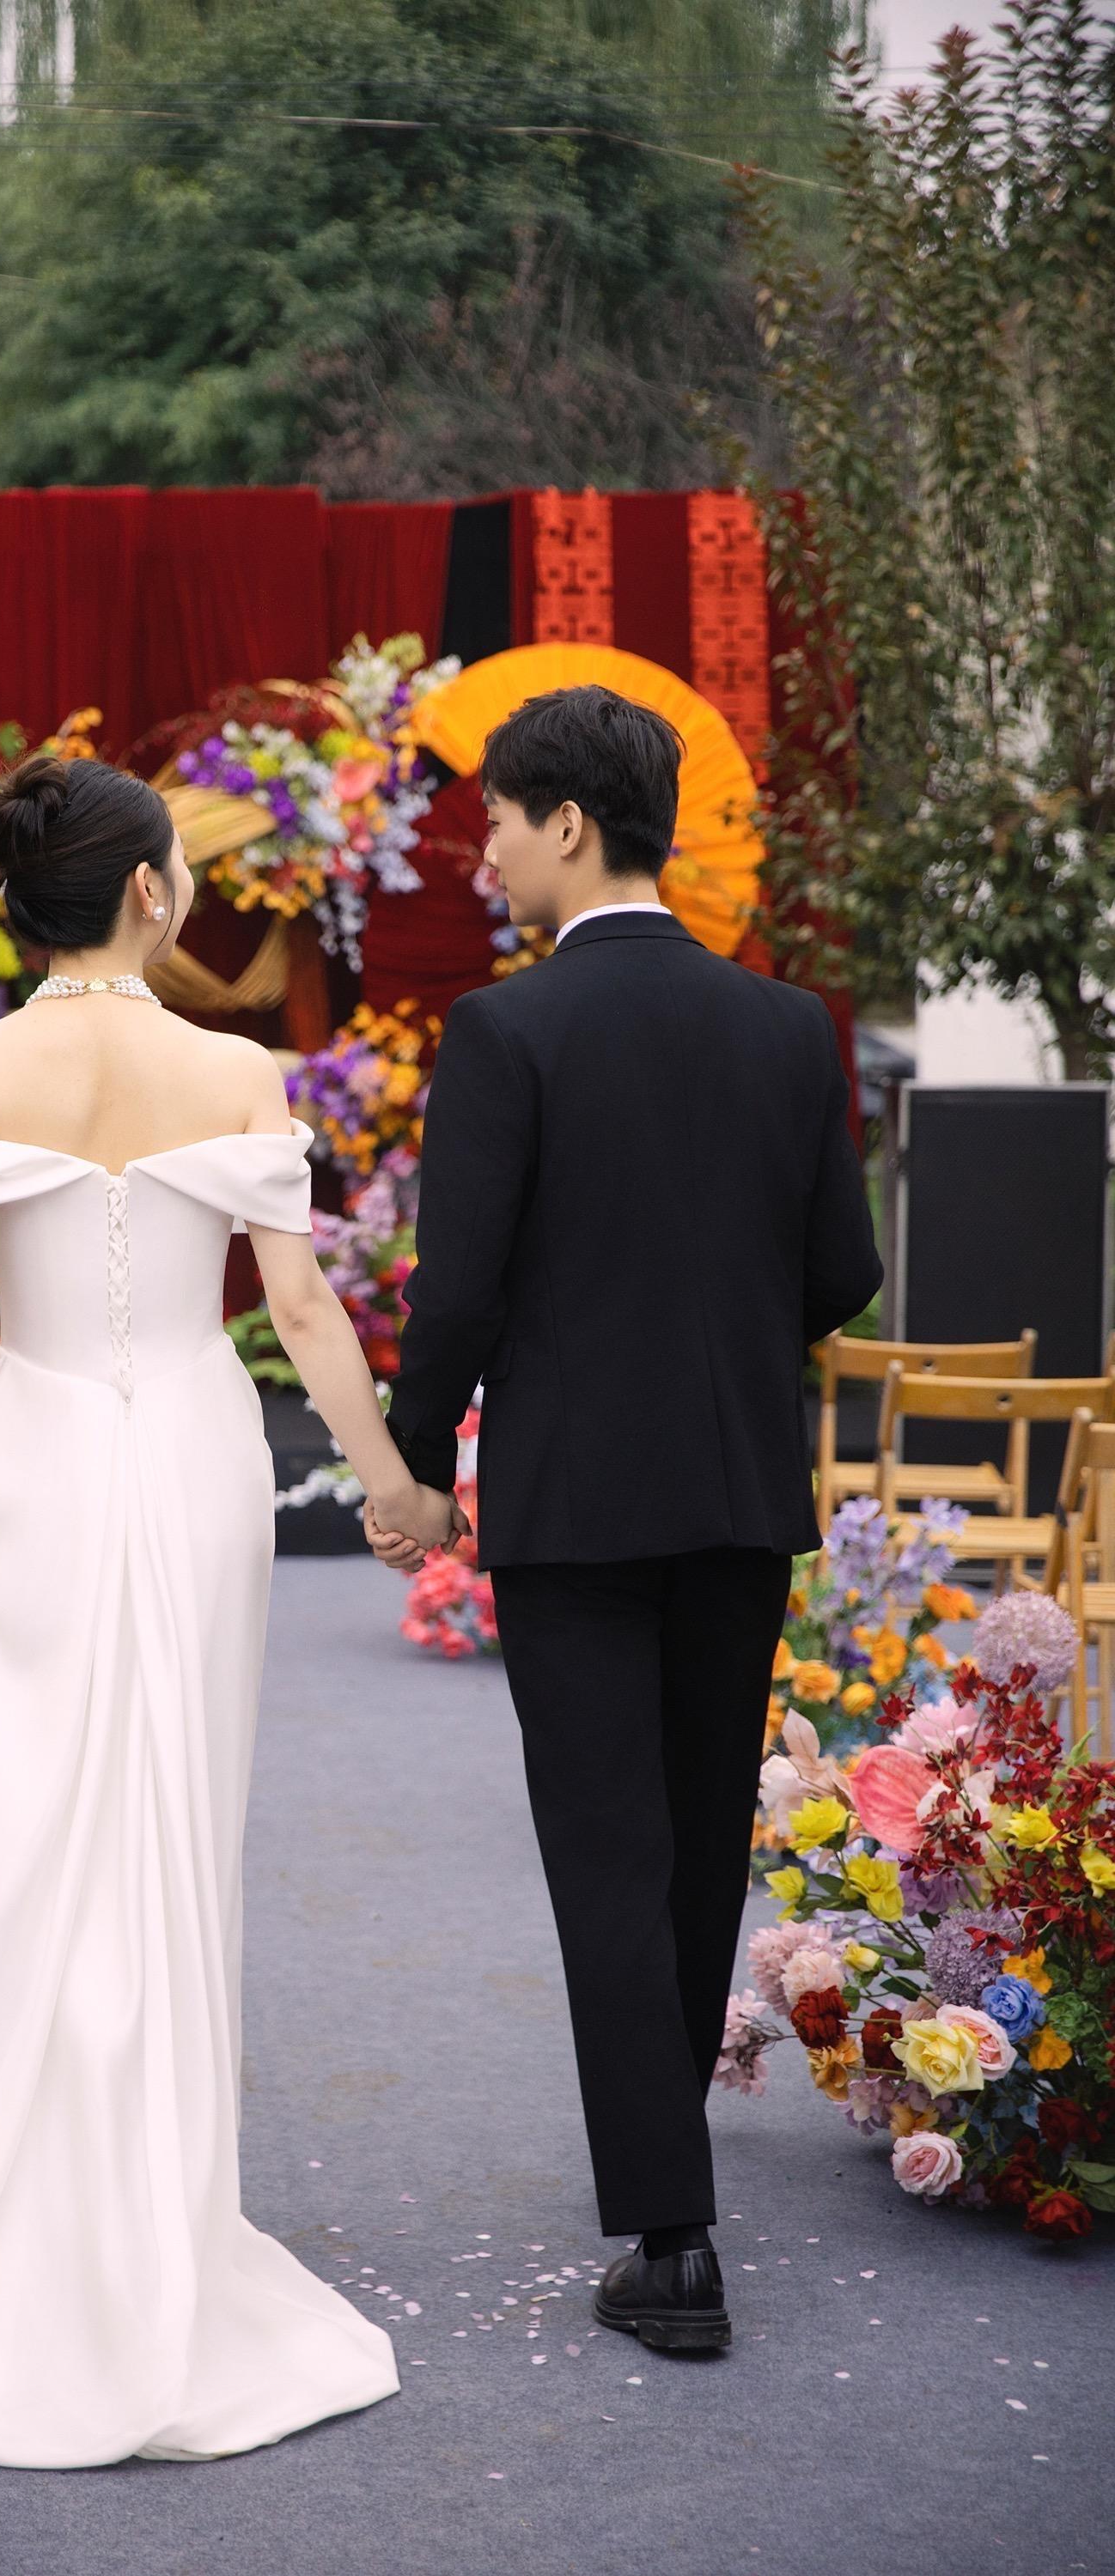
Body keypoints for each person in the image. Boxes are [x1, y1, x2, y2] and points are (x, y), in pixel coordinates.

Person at [0, 751, 460, 2467]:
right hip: (194, 1454)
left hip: (40, 1448)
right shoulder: (236, 1068)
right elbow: (302, 1312)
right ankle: (146, 2208)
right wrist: (397, 1489)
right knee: (168, 1822)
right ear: (145, 889)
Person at [369, 684, 882, 2356]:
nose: (488, 855)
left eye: (500, 823)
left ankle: (672, 2241)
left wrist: (412, 1459)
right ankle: (669, 2177)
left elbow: (457, 1295)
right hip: (735, 1486)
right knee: (695, 1837)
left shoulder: (505, 1033)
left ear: (570, 825)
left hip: (577, 1497)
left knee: (606, 1850)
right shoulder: (787, 1027)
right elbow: (843, 1270)